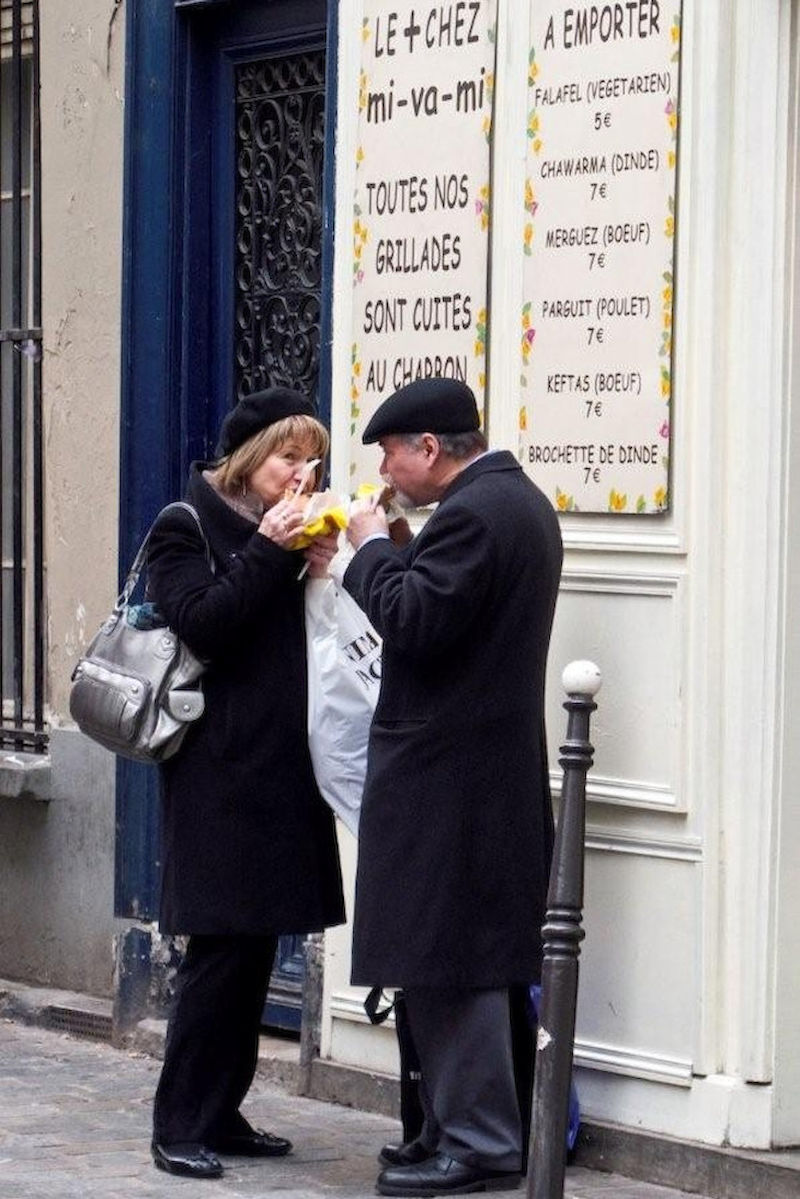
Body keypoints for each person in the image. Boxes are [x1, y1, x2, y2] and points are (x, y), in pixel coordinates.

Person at [344, 377, 563, 1197]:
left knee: (451, 959)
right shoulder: (516, 503)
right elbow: (448, 607)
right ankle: (447, 1125)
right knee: (441, 955)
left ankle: (477, 1140)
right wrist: (399, 548)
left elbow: (415, 623)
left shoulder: (473, 514)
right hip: (473, 768)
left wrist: (369, 548)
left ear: (430, 449)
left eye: (392, 455)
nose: (386, 473)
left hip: (450, 773)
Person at [145, 387, 345, 1180]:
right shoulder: (183, 525)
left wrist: (326, 564)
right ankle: (177, 1122)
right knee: (220, 949)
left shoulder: (295, 534)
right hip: (218, 770)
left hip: (284, 764)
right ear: (249, 459)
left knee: (259, 946)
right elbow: (205, 620)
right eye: (289, 455)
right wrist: (270, 548)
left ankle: (222, 1110)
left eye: (311, 457)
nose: (303, 470)